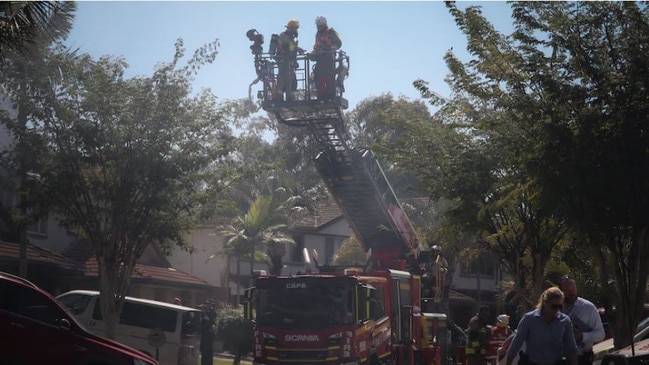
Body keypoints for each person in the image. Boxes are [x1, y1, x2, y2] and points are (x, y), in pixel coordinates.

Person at [505, 287, 578, 365]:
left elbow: (572, 349)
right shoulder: (529, 319)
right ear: (545, 303)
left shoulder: (565, 322)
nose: (557, 310)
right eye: (554, 306)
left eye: (560, 307)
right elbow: (515, 345)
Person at [559, 276, 605, 365]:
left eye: (573, 289)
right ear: (561, 291)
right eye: (567, 290)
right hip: (561, 359)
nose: (571, 292)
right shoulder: (556, 308)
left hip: (583, 358)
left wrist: (582, 336)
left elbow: (601, 334)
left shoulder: (588, 308)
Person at [311, 16, 342, 100]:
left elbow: (338, 43)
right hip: (320, 58)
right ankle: (320, 95)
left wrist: (332, 47)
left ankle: (330, 95)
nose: (318, 27)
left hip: (329, 57)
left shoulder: (331, 32)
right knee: (318, 76)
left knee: (329, 77)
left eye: (320, 25)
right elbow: (316, 46)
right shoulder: (318, 34)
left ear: (324, 24)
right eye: (317, 26)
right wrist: (314, 52)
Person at [275, 19, 304, 101]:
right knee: (282, 82)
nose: (296, 31)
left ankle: (292, 98)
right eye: (295, 28)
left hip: (290, 64)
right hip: (283, 64)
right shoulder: (283, 36)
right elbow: (290, 46)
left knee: (293, 83)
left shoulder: (291, 38)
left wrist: (295, 62)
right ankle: (279, 98)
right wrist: (298, 49)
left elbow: (291, 50)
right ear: (290, 28)